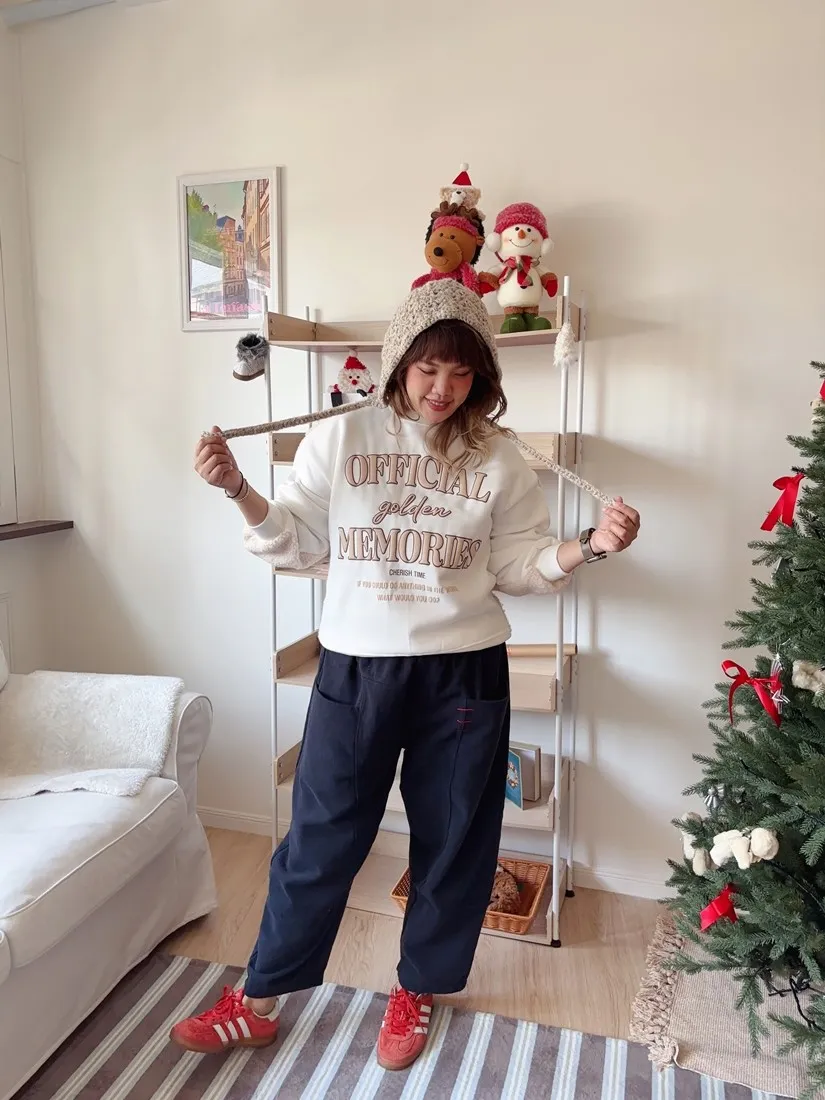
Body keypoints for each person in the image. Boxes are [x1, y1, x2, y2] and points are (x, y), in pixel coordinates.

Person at [171, 280, 640, 1070]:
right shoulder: (341, 437)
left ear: (481, 376)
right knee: (319, 839)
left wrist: (589, 546)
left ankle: (417, 988)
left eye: (460, 373)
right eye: (427, 369)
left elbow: (518, 564)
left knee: (452, 841)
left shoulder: (498, 456)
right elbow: (296, 543)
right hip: (356, 669)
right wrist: (238, 491)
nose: (441, 389)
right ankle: (258, 998)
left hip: (464, 674)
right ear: (398, 362)